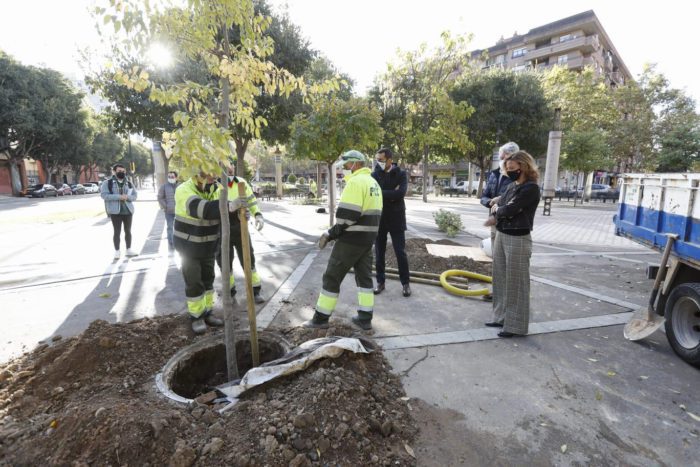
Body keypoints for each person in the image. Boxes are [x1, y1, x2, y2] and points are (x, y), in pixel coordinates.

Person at [302, 150, 383, 330]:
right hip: (367, 241)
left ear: (354, 164)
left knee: (331, 277)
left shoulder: (355, 182)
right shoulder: (373, 183)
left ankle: (320, 319)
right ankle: (365, 318)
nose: (345, 169)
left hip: (351, 240)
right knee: (365, 280)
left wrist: (330, 234)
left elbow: (348, 216)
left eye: (346, 165)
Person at [174, 171, 246, 334]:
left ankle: (207, 313)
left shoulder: (217, 189)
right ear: (198, 173)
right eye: (209, 172)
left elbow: (224, 214)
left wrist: (239, 213)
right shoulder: (184, 189)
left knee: (208, 282)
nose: (214, 176)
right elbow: (199, 208)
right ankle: (196, 317)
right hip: (188, 248)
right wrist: (229, 206)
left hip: (208, 246)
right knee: (194, 283)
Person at [485, 150, 541, 338]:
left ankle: (515, 326)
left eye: (512, 168)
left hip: (518, 238)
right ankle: (500, 317)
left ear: (524, 166)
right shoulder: (512, 185)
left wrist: (498, 209)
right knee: (499, 278)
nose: (509, 171)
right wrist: (498, 205)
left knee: (517, 282)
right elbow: (504, 204)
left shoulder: (531, 188)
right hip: (502, 234)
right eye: (507, 168)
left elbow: (510, 209)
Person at [216, 162, 266, 304]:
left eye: (230, 164)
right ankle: (230, 292)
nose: (228, 167)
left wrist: (258, 215)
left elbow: (251, 201)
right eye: (224, 165)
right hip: (222, 227)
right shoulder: (215, 185)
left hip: (240, 225)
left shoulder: (241, 182)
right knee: (225, 263)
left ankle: (255, 291)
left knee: (248, 259)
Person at [372, 148, 411, 297]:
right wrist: (391, 194)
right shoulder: (375, 174)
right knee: (379, 252)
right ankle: (380, 282)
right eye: (377, 160)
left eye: (381, 160)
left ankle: (406, 284)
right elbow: (374, 194)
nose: (379, 162)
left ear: (389, 160)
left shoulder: (400, 174)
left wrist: (383, 193)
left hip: (396, 218)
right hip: (380, 218)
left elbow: (401, 193)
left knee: (400, 252)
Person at [481, 142, 520, 245]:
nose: (502, 160)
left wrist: (500, 201)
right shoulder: (494, 174)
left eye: (505, 157)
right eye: (501, 158)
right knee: (496, 254)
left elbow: (517, 199)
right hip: (494, 221)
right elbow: (484, 196)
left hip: (509, 224)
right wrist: (490, 202)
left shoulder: (518, 177)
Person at [100, 163, 138, 260]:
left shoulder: (129, 183)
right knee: (117, 232)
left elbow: (134, 196)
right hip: (115, 212)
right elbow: (104, 196)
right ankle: (117, 251)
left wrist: (127, 197)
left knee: (128, 231)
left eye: (123, 171)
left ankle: (129, 249)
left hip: (128, 211)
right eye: (119, 171)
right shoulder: (107, 183)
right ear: (114, 171)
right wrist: (119, 197)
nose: (121, 173)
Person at [158, 170, 179, 250]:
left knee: (178, 227)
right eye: (169, 177)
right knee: (170, 227)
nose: (170, 178)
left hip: (179, 211)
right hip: (169, 211)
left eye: (172, 177)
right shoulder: (164, 186)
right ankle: (171, 242)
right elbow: (160, 197)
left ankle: (178, 242)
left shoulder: (180, 186)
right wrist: (165, 206)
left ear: (176, 177)